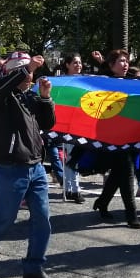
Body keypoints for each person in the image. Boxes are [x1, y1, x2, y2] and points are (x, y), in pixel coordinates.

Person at [0, 51, 57, 278]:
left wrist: (46, 98)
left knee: (42, 219)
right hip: (11, 167)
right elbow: (2, 86)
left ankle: (34, 267)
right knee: (4, 220)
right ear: (12, 73)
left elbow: (48, 123)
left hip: (35, 166)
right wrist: (27, 67)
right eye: (24, 71)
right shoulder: (1, 94)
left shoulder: (30, 97)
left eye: (30, 72)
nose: (29, 76)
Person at [91, 49, 140, 229]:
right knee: (126, 171)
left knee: (118, 173)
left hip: (129, 134)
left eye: (126, 61)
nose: (125, 64)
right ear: (112, 65)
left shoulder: (132, 82)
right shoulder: (104, 82)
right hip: (110, 135)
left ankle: (102, 202)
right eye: (121, 61)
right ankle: (131, 214)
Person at [58, 53, 85, 203]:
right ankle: (74, 189)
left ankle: (70, 188)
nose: (78, 65)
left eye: (79, 63)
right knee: (71, 156)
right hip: (67, 123)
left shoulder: (84, 81)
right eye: (75, 62)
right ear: (67, 65)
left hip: (80, 122)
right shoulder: (62, 82)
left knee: (73, 157)